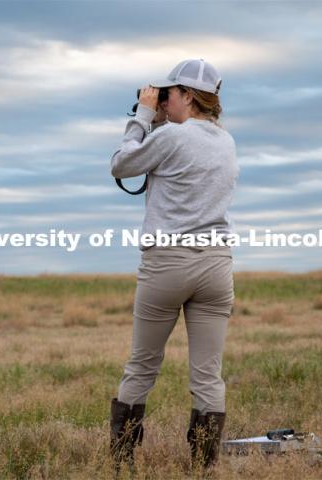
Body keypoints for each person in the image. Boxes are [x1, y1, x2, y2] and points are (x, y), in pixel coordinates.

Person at [108, 58, 240, 475]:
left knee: (142, 366)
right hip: (217, 265)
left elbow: (122, 164)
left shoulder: (171, 139)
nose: (164, 100)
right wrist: (164, 118)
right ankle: (204, 466)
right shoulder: (226, 142)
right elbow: (184, 147)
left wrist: (144, 116)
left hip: (168, 262)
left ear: (186, 95)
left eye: (170, 94)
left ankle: (122, 464)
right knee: (208, 375)